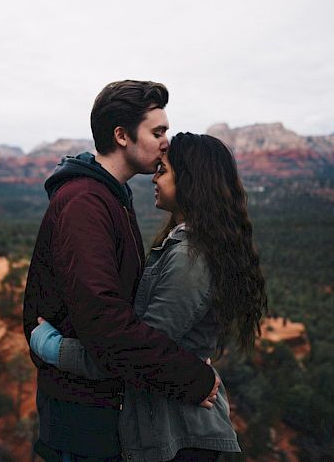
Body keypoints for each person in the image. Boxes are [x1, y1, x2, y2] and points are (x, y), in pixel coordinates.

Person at [31, 132, 268, 461]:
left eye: (163, 170)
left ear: (190, 182)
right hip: (172, 427)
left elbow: (137, 353)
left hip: (180, 436)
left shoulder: (190, 257)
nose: (154, 178)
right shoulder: (186, 244)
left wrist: (53, 347)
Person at [23, 81, 219, 462]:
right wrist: (192, 376)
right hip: (83, 419)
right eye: (157, 131)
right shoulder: (85, 202)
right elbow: (105, 322)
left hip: (103, 407)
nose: (167, 141)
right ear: (122, 136)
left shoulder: (111, 195)